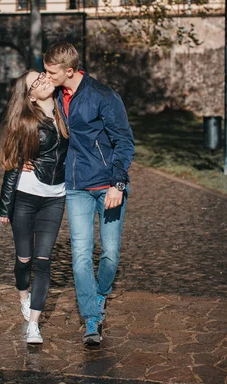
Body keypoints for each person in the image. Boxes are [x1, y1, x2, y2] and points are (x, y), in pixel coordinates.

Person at [43, 42, 134, 346]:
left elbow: (124, 142)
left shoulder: (103, 96)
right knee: (80, 254)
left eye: (51, 72)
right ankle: (91, 318)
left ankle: (100, 295)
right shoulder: (55, 95)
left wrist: (117, 184)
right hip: (77, 186)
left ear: (70, 71)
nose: (47, 76)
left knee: (109, 253)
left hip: (108, 184)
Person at [0, 70, 68, 344]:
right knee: (24, 260)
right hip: (26, 198)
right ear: (29, 96)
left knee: (43, 261)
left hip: (55, 197)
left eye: (42, 75)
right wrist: (5, 207)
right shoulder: (27, 122)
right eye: (35, 82)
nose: (43, 80)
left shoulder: (65, 111)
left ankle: (34, 325)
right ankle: (23, 295)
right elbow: (12, 165)